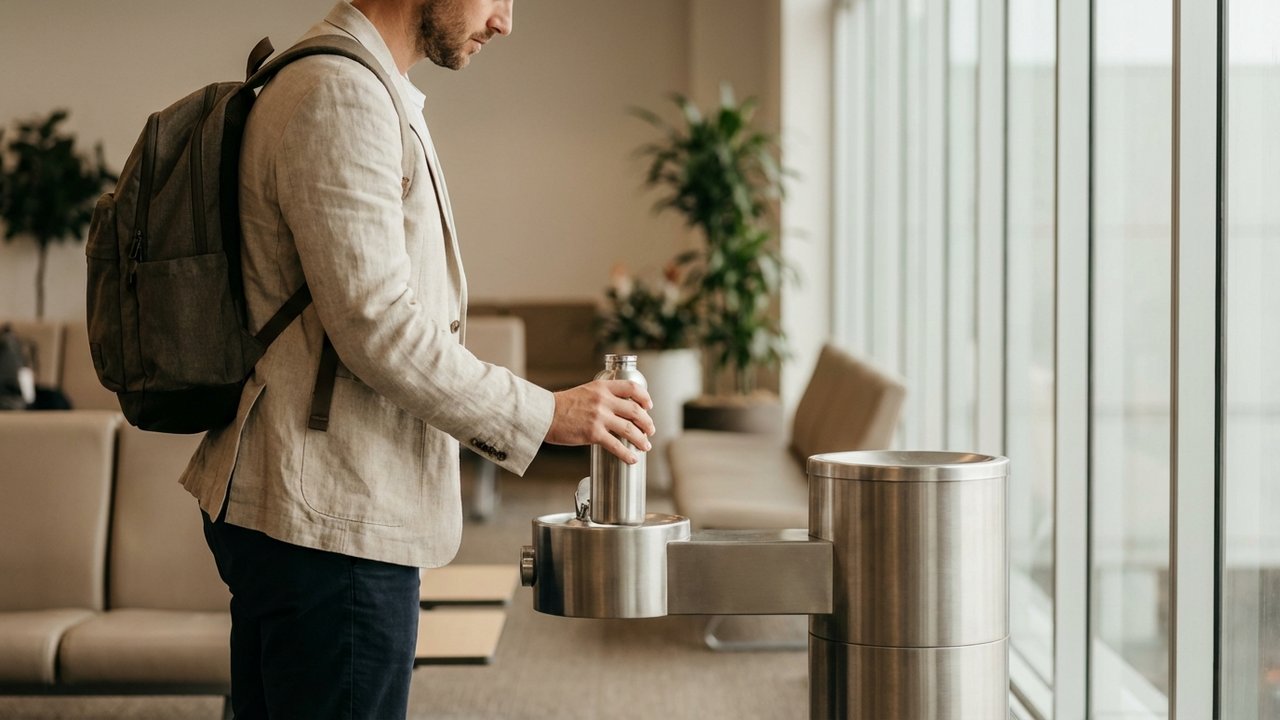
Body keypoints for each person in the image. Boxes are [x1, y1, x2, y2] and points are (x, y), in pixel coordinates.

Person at [179, 1, 655, 717]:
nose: (505, 21)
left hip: (315, 512)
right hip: (333, 524)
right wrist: (547, 414)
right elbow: (379, 328)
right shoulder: (340, 94)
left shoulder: (356, 83)